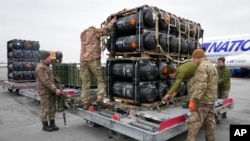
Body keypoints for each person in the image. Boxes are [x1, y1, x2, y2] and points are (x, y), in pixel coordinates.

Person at [80, 16, 117, 110]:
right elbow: (106, 29)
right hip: (94, 59)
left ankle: (85, 102)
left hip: (83, 60)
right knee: (100, 80)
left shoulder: (82, 35)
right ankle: (100, 98)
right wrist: (112, 21)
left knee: (85, 82)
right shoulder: (94, 32)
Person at [185, 48, 218, 141]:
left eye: (193, 59)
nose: (193, 61)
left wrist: (193, 100)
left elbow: (201, 85)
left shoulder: (202, 67)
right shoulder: (212, 66)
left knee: (194, 123)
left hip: (202, 101)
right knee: (210, 122)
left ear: (197, 58)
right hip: (211, 100)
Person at [35, 51, 62, 132]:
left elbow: (51, 80)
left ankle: (52, 123)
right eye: (49, 57)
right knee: (45, 109)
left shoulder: (46, 66)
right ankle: (45, 125)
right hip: (44, 92)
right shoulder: (40, 67)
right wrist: (55, 89)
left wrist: (55, 88)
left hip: (50, 91)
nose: (51, 59)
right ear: (45, 58)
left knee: (52, 108)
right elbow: (46, 81)